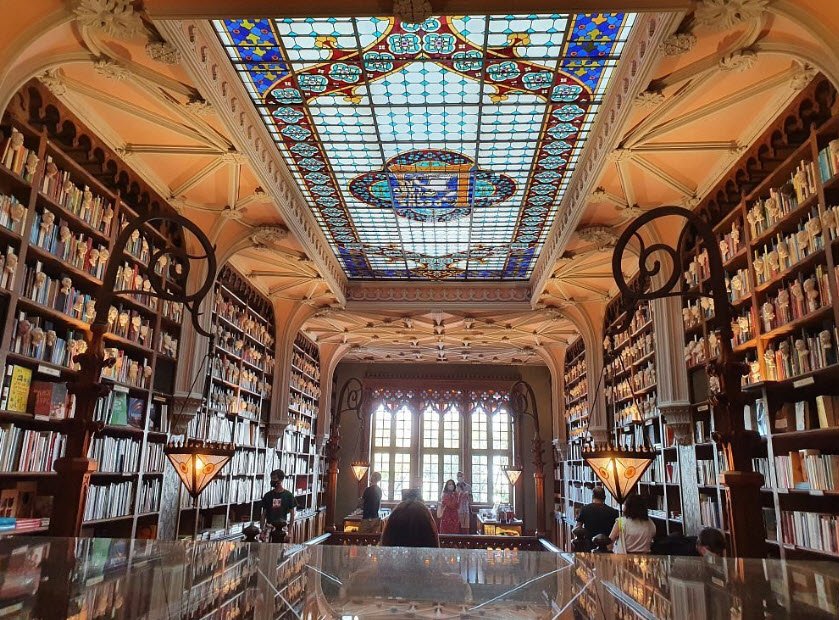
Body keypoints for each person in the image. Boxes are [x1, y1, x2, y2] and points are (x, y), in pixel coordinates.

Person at [261, 469, 295, 543]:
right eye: (271, 478)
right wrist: (262, 531)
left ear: (280, 480)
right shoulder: (268, 495)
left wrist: (289, 531)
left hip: (283, 528)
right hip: (269, 527)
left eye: (274, 478)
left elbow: (292, 515)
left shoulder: (288, 495)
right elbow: (264, 514)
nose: (272, 480)